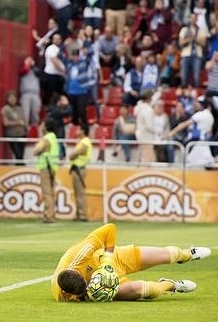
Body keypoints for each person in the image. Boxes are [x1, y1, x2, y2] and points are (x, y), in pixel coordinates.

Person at [52, 223, 211, 302]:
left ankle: (188, 254)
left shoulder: (79, 254)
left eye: (85, 283)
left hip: (116, 258)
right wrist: (97, 293)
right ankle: (172, 285)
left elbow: (110, 228)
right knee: (149, 291)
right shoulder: (64, 295)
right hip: (110, 283)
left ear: (77, 272)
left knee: (169, 254)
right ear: (67, 293)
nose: (87, 287)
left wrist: (107, 261)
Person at [34, 117, 60, 224]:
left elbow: (36, 150)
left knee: (47, 193)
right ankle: (51, 214)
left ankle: (48, 215)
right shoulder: (54, 138)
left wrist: (38, 151)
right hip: (53, 167)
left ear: (46, 127)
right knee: (51, 192)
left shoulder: (46, 139)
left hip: (46, 166)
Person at [69, 124, 91, 222]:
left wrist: (72, 155)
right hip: (77, 168)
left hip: (79, 169)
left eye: (78, 129)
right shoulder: (83, 141)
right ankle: (79, 213)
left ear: (82, 131)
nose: (77, 131)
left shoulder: (84, 142)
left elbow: (74, 154)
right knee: (77, 192)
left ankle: (82, 214)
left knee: (80, 193)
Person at [1, 90, 27, 164]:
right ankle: (20, 169)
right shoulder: (5, 109)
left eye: (14, 98)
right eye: (11, 98)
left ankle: (20, 168)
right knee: (18, 155)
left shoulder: (19, 108)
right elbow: (5, 123)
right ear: (7, 99)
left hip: (22, 134)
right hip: (12, 135)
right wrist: (17, 123)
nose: (13, 100)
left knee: (21, 156)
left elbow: (24, 120)